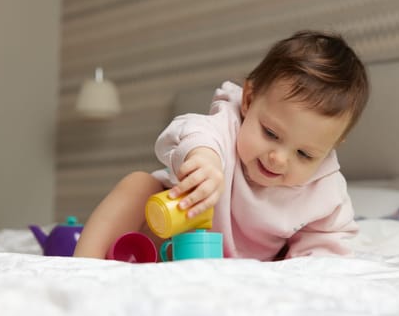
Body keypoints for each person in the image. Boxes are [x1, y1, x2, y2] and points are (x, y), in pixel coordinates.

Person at [74, 30, 369, 261]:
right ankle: (81, 267)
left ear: (331, 147)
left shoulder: (325, 192)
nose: (278, 159)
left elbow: (326, 251)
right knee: (138, 183)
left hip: (227, 268)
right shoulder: (226, 128)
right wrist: (204, 156)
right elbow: (189, 130)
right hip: (162, 237)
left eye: (304, 154)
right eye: (270, 133)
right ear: (249, 100)